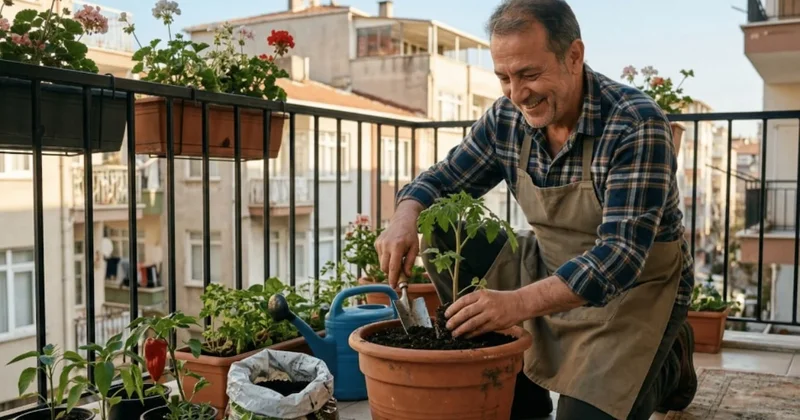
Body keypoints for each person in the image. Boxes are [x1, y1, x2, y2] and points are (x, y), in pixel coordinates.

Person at [374, 0, 698, 419]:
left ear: (574, 56)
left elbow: (619, 259)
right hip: (548, 265)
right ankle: (521, 389)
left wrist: (511, 305)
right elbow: (441, 181)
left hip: (635, 291)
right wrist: (404, 218)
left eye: (529, 74)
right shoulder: (506, 117)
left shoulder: (635, 124)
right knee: (440, 226)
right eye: (504, 77)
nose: (517, 92)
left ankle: (670, 364)